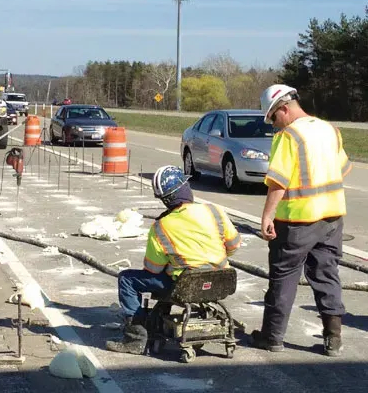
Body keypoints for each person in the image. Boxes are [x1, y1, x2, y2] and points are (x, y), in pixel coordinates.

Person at [251, 85, 352, 356]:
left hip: (297, 222)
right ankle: (333, 339)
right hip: (331, 218)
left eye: (273, 117)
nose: (273, 124)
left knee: (283, 278)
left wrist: (267, 216)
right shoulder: (330, 130)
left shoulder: (289, 136)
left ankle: (272, 337)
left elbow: (278, 182)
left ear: (284, 108)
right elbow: (344, 168)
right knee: (326, 274)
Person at [106, 165, 241, 355]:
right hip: (221, 281)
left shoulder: (161, 226)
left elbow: (152, 269)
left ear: (165, 199)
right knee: (177, 273)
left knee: (127, 279)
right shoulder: (214, 211)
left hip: (184, 286)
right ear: (185, 188)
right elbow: (234, 245)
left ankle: (136, 339)